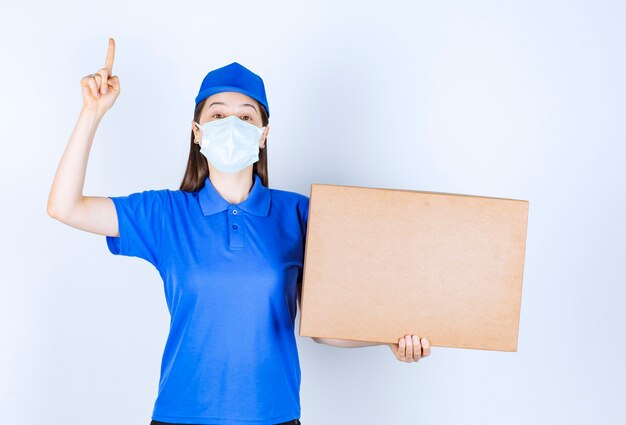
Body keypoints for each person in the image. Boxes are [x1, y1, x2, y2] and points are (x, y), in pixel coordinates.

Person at [47, 37, 431, 425]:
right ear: (197, 133)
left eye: (246, 117)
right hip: (181, 415)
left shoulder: (299, 214)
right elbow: (65, 207)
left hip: (274, 417)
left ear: (263, 134)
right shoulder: (165, 213)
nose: (232, 125)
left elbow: (322, 327)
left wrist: (390, 337)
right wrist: (91, 113)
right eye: (217, 115)